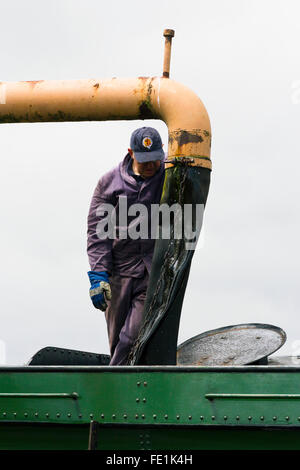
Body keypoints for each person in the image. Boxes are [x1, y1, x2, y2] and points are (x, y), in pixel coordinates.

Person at [87, 127, 165, 365]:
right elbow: (98, 232)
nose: (151, 166)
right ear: (131, 153)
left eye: (155, 160)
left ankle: (112, 392)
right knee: (117, 343)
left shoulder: (168, 174)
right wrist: (99, 275)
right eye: (145, 161)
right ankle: (124, 390)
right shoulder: (108, 184)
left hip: (150, 272)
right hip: (118, 274)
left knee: (131, 338)